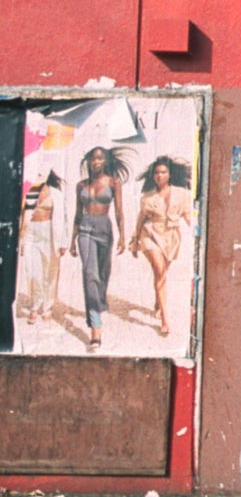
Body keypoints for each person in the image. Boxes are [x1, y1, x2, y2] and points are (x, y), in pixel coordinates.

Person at [68, 146, 131, 351]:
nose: (96, 162)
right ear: (88, 161)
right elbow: (78, 213)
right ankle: (95, 327)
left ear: (105, 162)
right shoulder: (81, 186)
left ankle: (100, 300)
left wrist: (123, 236)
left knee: (103, 274)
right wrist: (72, 239)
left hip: (105, 228)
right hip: (85, 229)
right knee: (90, 274)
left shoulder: (113, 183)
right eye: (93, 159)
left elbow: (119, 211)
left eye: (100, 159)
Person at [130, 156, 193, 337]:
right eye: (157, 173)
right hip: (150, 234)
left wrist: (196, 232)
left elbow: (189, 216)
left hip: (171, 237)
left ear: (170, 174)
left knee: (162, 273)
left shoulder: (182, 194)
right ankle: (165, 319)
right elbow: (141, 219)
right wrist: (135, 241)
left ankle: (159, 302)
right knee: (160, 271)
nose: (159, 176)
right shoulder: (147, 197)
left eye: (163, 172)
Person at [19, 170, 65, 323]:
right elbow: (20, 214)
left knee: (50, 272)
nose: (39, 176)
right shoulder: (27, 191)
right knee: (32, 271)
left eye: (41, 173)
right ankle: (34, 306)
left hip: (50, 233)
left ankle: (47, 307)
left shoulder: (55, 193)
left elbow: (62, 218)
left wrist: (63, 242)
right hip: (31, 232)